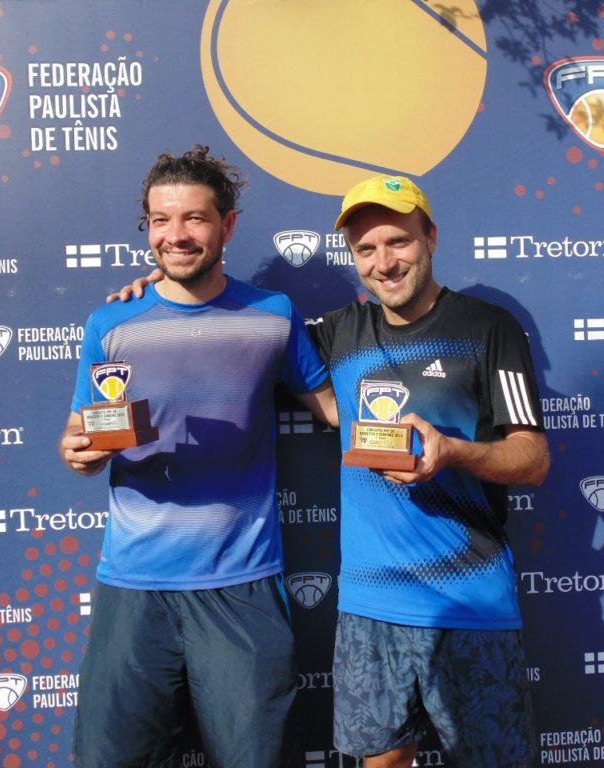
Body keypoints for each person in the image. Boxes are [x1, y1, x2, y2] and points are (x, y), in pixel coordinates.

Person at [112, 174, 549, 767]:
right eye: (366, 249)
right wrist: (163, 285)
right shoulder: (334, 333)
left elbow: (532, 458)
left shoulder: (489, 328)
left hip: (470, 603)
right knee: (382, 762)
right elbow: (232, 327)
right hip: (368, 608)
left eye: (399, 242)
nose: (384, 263)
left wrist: (452, 451)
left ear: (431, 238)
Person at [59, 146, 337, 768]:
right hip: (134, 586)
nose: (176, 235)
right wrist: (78, 453)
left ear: (227, 225)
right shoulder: (111, 322)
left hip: (242, 583)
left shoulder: (273, 316)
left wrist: (414, 412)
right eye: (161, 220)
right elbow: (81, 434)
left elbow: (332, 408)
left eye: (194, 218)